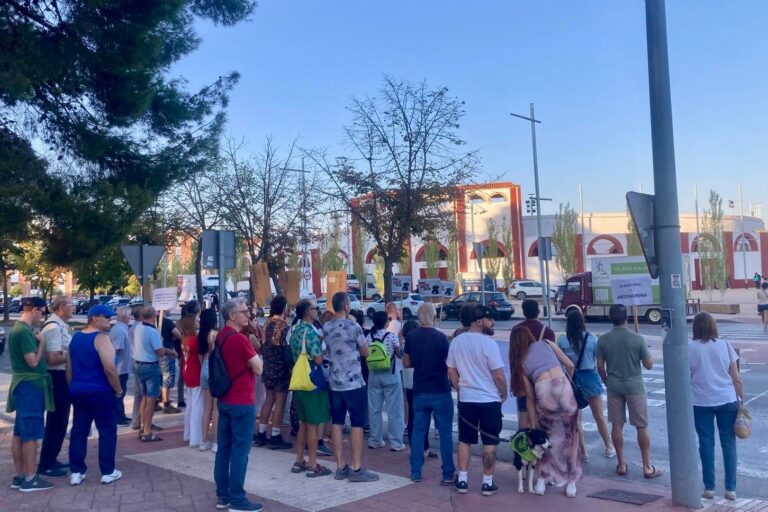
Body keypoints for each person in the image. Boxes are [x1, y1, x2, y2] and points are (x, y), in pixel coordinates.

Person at [510, 326, 580, 497]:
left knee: (545, 439)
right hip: (563, 386)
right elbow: (570, 365)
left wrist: (533, 426)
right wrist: (565, 382)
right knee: (571, 439)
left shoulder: (520, 361)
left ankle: (542, 480)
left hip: (543, 390)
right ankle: (571, 484)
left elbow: (529, 397)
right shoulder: (547, 343)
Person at [596, 304, 662, 479]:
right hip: (635, 386)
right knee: (641, 426)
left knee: (616, 425)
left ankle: (621, 464)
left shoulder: (603, 340)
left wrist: (606, 381)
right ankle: (647, 467)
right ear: (627, 318)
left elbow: (599, 366)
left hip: (614, 386)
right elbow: (649, 365)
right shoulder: (637, 339)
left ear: (611, 319)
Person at [447, 304, 507, 496]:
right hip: (489, 399)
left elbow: (451, 369)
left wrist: (459, 387)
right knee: (489, 441)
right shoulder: (489, 344)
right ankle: (487, 483)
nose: (493, 323)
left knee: (465, 440)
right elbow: (498, 374)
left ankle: (462, 480)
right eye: (490, 320)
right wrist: (503, 393)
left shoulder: (457, 342)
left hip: (467, 398)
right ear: (479, 321)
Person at [213, 298, 263, 512]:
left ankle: (223, 495)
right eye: (243, 312)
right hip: (241, 400)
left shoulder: (220, 336)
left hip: (224, 400)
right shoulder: (239, 340)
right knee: (240, 451)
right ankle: (237, 500)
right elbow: (258, 368)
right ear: (232, 316)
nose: (248, 315)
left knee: (223, 449)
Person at [323, 292, 379, 482]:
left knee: (337, 423)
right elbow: (365, 351)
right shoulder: (354, 327)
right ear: (346, 306)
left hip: (334, 382)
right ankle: (356, 468)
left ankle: (340, 465)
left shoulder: (326, 327)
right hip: (354, 382)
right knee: (357, 424)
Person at [689, 312, 744, 501]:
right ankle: (730, 489)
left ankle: (709, 488)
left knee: (706, 443)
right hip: (727, 399)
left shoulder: (688, 347)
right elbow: (736, 377)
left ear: (695, 327)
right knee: (728, 444)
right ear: (713, 326)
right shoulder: (725, 346)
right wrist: (740, 399)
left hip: (700, 401)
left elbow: (685, 375)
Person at [67, 305, 124, 486]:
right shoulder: (101, 339)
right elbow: (110, 369)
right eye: (106, 317)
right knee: (107, 431)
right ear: (94, 318)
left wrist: (73, 387)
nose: (109, 320)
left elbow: (69, 368)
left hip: (79, 391)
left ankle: (76, 471)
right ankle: (107, 471)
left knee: (79, 431)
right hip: (101, 391)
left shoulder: (75, 338)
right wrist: (118, 390)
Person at [404, 303, 455, 485]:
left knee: (418, 432)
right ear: (433, 317)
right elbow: (450, 365)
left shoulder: (411, 336)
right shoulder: (441, 338)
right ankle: (448, 472)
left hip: (420, 389)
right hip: (440, 389)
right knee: (445, 433)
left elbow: (407, 363)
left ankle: (416, 471)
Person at [8, 297, 54, 492]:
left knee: (20, 432)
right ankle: (30, 477)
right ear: (35, 310)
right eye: (43, 312)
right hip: (30, 385)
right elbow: (33, 362)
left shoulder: (18, 329)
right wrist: (42, 343)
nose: (42, 317)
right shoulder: (24, 332)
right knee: (31, 434)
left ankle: (20, 475)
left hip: (23, 385)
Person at [556, 309, 614, 462]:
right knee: (599, 416)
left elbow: (560, 361)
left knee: (577, 419)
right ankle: (608, 447)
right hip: (590, 377)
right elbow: (598, 359)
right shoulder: (592, 339)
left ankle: (584, 452)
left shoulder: (562, 341)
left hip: (572, 379)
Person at [289, 300, 332, 477]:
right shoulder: (311, 332)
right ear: (308, 311)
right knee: (313, 424)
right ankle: (313, 463)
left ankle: (299, 460)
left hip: (298, 379)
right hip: (312, 381)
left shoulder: (295, 330)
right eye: (315, 309)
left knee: (302, 424)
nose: (317, 311)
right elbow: (318, 359)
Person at [38, 296, 74, 477]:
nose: (73, 308)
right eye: (71, 305)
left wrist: (65, 353)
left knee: (60, 420)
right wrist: (70, 353)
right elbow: (52, 358)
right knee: (57, 420)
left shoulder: (59, 326)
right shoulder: (53, 328)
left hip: (61, 376)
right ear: (61, 307)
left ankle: (52, 458)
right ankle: (46, 462)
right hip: (57, 377)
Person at [253, 295, 293, 450]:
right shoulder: (284, 326)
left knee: (268, 400)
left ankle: (262, 433)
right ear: (283, 308)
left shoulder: (266, 323)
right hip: (281, 368)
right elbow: (286, 349)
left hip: (268, 366)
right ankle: (275, 434)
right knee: (280, 402)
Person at [134, 306, 177, 442]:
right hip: (150, 365)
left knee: (144, 398)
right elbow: (159, 351)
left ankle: (142, 426)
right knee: (151, 399)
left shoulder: (137, 328)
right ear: (153, 316)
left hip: (138, 364)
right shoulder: (152, 331)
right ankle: (147, 431)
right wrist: (170, 351)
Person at [366, 311, 405, 451]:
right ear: (386, 322)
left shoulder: (368, 337)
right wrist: (401, 342)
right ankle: (396, 442)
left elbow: (364, 353)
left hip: (373, 375)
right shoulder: (391, 336)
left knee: (374, 409)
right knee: (394, 410)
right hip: (390, 374)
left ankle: (375, 439)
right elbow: (400, 355)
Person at [514, 299, 556, 430]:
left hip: (522, 375)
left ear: (524, 312)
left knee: (524, 412)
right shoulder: (547, 331)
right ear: (538, 311)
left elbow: (514, 355)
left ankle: (523, 444)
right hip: (542, 378)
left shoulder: (517, 329)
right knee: (545, 412)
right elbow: (551, 356)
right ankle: (543, 440)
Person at [179, 301, 203, 448]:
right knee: (197, 406)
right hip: (195, 372)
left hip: (187, 371)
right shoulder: (195, 339)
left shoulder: (185, 338)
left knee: (191, 405)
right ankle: (195, 438)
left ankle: (188, 434)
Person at [198, 308, 219, 452]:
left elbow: (200, 357)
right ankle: (216, 442)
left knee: (206, 408)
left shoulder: (200, 335)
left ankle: (203, 441)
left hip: (204, 367)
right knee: (216, 410)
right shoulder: (215, 334)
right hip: (214, 368)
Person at [109, 307, 133, 426]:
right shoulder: (119, 330)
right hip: (119, 368)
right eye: (129, 316)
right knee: (119, 392)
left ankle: (121, 414)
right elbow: (116, 349)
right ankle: (118, 416)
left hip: (122, 367)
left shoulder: (121, 329)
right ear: (124, 317)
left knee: (121, 392)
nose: (130, 318)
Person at [160, 312, 182, 413]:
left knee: (160, 379)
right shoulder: (167, 322)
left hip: (155, 355)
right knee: (167, 378)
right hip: (167, 353)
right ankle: (166, 403)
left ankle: (158, 401)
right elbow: (178, 335)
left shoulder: (152, 322)